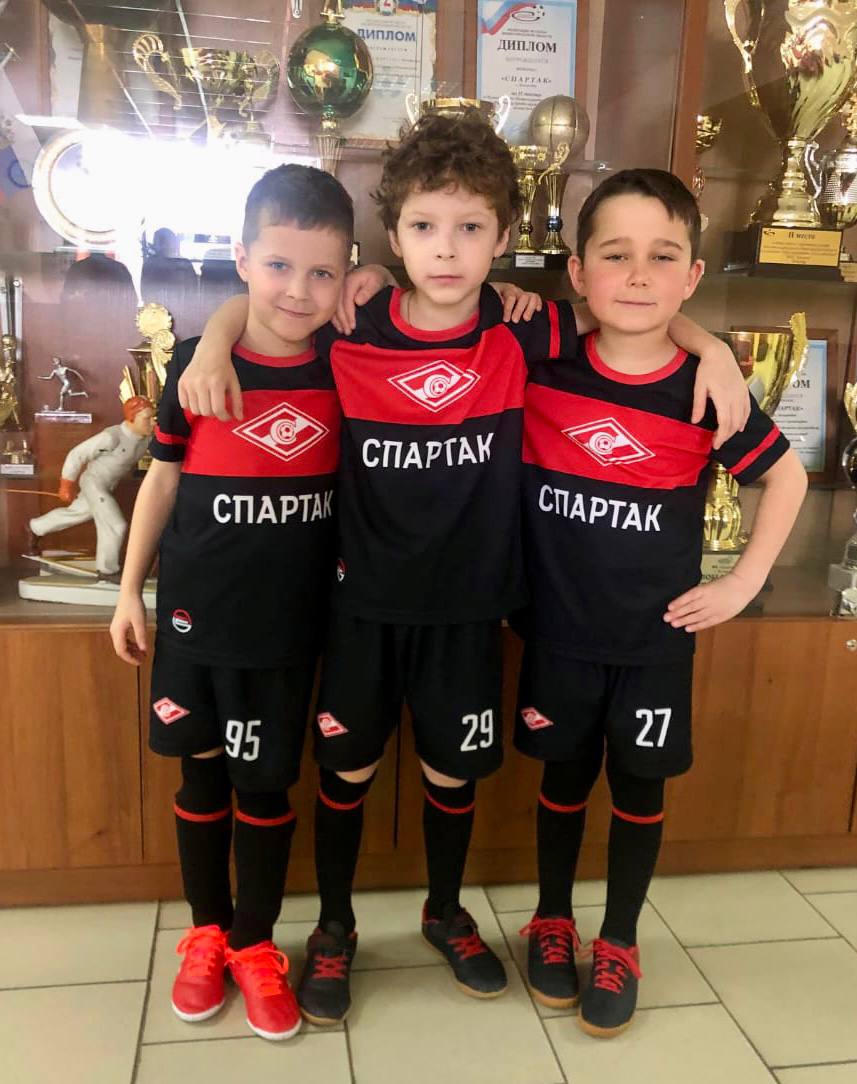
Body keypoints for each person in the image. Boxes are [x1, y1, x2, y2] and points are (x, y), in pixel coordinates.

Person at [175, 113, 750, 1027]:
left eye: (470, 227)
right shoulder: (353, 320)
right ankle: (334, 926)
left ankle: (444, 912)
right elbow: (266, 303)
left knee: (452, 775)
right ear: (392, 234)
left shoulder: (522, 331)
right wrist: (212, 341)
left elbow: (629, 308)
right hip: (360, 606)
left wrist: (711, 346)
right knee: (347, 771)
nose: (446, 249)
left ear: (504, 236)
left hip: (469, 610)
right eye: (424, 227)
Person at [514, 168, 807, 1039]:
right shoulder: (540, 363)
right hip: (557, 631)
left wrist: (743, 582)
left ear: (692, 275)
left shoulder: (707, 389)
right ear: (577, 271)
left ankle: (620, 938)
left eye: (662, 257)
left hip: (654, 638)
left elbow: (786, 477)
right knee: (562, 779)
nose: (637, 275)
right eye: (615, 255)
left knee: (638, 787)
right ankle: (552, 918)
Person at [109, 164, 361, 1042]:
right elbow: (160, 482)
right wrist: (129, 591)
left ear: (346, 275)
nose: (298, 290)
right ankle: (207, 935)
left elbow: (402, 294)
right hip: (193, 623)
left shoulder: (345, 364)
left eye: (323, 272)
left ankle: (256, 944)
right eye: (279, 266)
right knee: (200, 776)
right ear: (243, 259)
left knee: (264, 786)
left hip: (287, 632)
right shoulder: (192, 364)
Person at [29, 395, 154, 578]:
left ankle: (34, 528)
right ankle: (107, 570)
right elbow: (77, 454)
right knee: (115, 524)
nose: (152, 422)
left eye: (153, 417)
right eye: (147, 418)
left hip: (108, 486)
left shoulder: (145, 439)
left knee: (78, 513)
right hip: (94, 483)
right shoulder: (111, 438)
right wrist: (66, 484)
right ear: (132, 418)